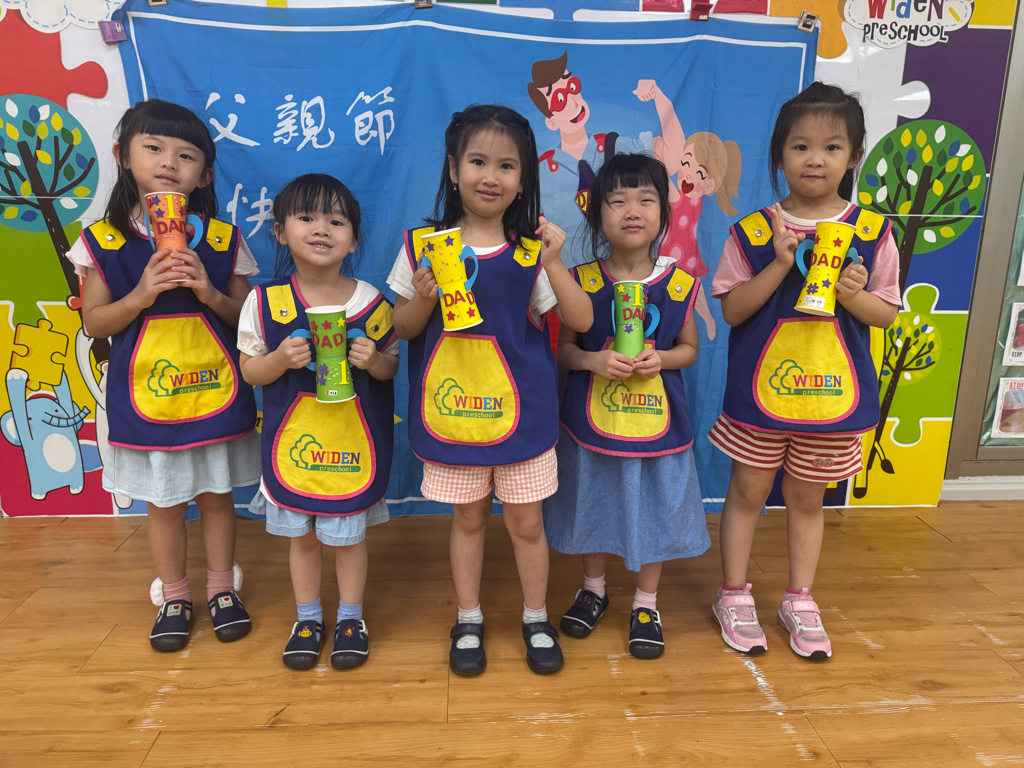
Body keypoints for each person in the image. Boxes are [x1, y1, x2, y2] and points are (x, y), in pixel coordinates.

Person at [389, 104, 593, 675]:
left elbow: (579, 319)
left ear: (523, 181)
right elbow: (401, 328)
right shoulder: (422, 245)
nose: (490, 176)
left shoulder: (532, 251)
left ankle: (535, 617)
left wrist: (556, 264)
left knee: (527, 523)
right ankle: (469, 617)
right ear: (453, 169)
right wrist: (424, 296)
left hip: (523, 418)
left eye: (507, 166)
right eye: (477, 161)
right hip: (453, 416)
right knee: (469, 518)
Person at [708, 83, 901, 659]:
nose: (815, 159)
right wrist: (779, 263)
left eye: (832, 147)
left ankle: (800, 598)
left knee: (807, 499)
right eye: (800, 146)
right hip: (759, 399)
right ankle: (733, 593)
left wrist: (852, 293)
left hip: (831, 398)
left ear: (854, 156)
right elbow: (732, 310)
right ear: (779, 156)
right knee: (747, 491)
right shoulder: (753, 231)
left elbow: (886, 315)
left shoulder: (873, 233)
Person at [66, 99, 260, 652]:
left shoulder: (222, 240)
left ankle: (222, 590)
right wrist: (141, 294)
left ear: (205, 175)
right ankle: (175, 596)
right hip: (146, 397)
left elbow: (247, 321)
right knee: (165, 502)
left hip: (215, 390)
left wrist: (209, 292)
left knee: (218, 496)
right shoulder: (103, 241)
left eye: (186, 155)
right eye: (153, 148)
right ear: (123, 156)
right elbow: (95, 323)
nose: (169, 162)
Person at [543, 153, 709, 659]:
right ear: (597, 214)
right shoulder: (581, 280)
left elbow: (689, 349)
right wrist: (593, 361)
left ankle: (646, 602)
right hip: (593, 423)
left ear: (664, 211)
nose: (632, 210)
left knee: (655, 508)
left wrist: (663, 359)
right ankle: (593, 590)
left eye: (646, 199)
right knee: (594, 500)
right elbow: (566, 350)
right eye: (617, 201)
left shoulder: (679, 283)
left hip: (658, 426)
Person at [238, 174, 398, 670]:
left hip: (352, 446)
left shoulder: (374, 303)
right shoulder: (265, 302)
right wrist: (279, 360)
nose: (321, 228)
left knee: (349, 539)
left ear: (354, 239)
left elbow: (392, 368)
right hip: (295, 449)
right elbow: (249, 371)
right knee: (302, 539)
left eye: (336, 220)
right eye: (306, 217)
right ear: (280, 232)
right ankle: (307, 618)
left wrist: (375, 360)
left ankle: (351, 618)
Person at [635, 78, 744, 341]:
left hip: (685, 257)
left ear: (709, 185)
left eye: (699, 172)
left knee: (696, 295)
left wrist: (658, 96)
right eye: (685, 163)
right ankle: (674, 330)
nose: (688, 173)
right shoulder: (676, 191)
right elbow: (671, 151)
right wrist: (659, 97)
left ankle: (707, 321)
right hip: (667, 257)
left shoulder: (690, 195)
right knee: (671, 298)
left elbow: (671, 151)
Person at [527, 51, 654, 267]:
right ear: (551, 122)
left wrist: (658, 96)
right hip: (564, 279)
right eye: (559, 99)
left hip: (623, 277)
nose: (573, 102)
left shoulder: (618, 147)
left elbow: (669, 158)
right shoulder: (540, 172)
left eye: (572, 87)